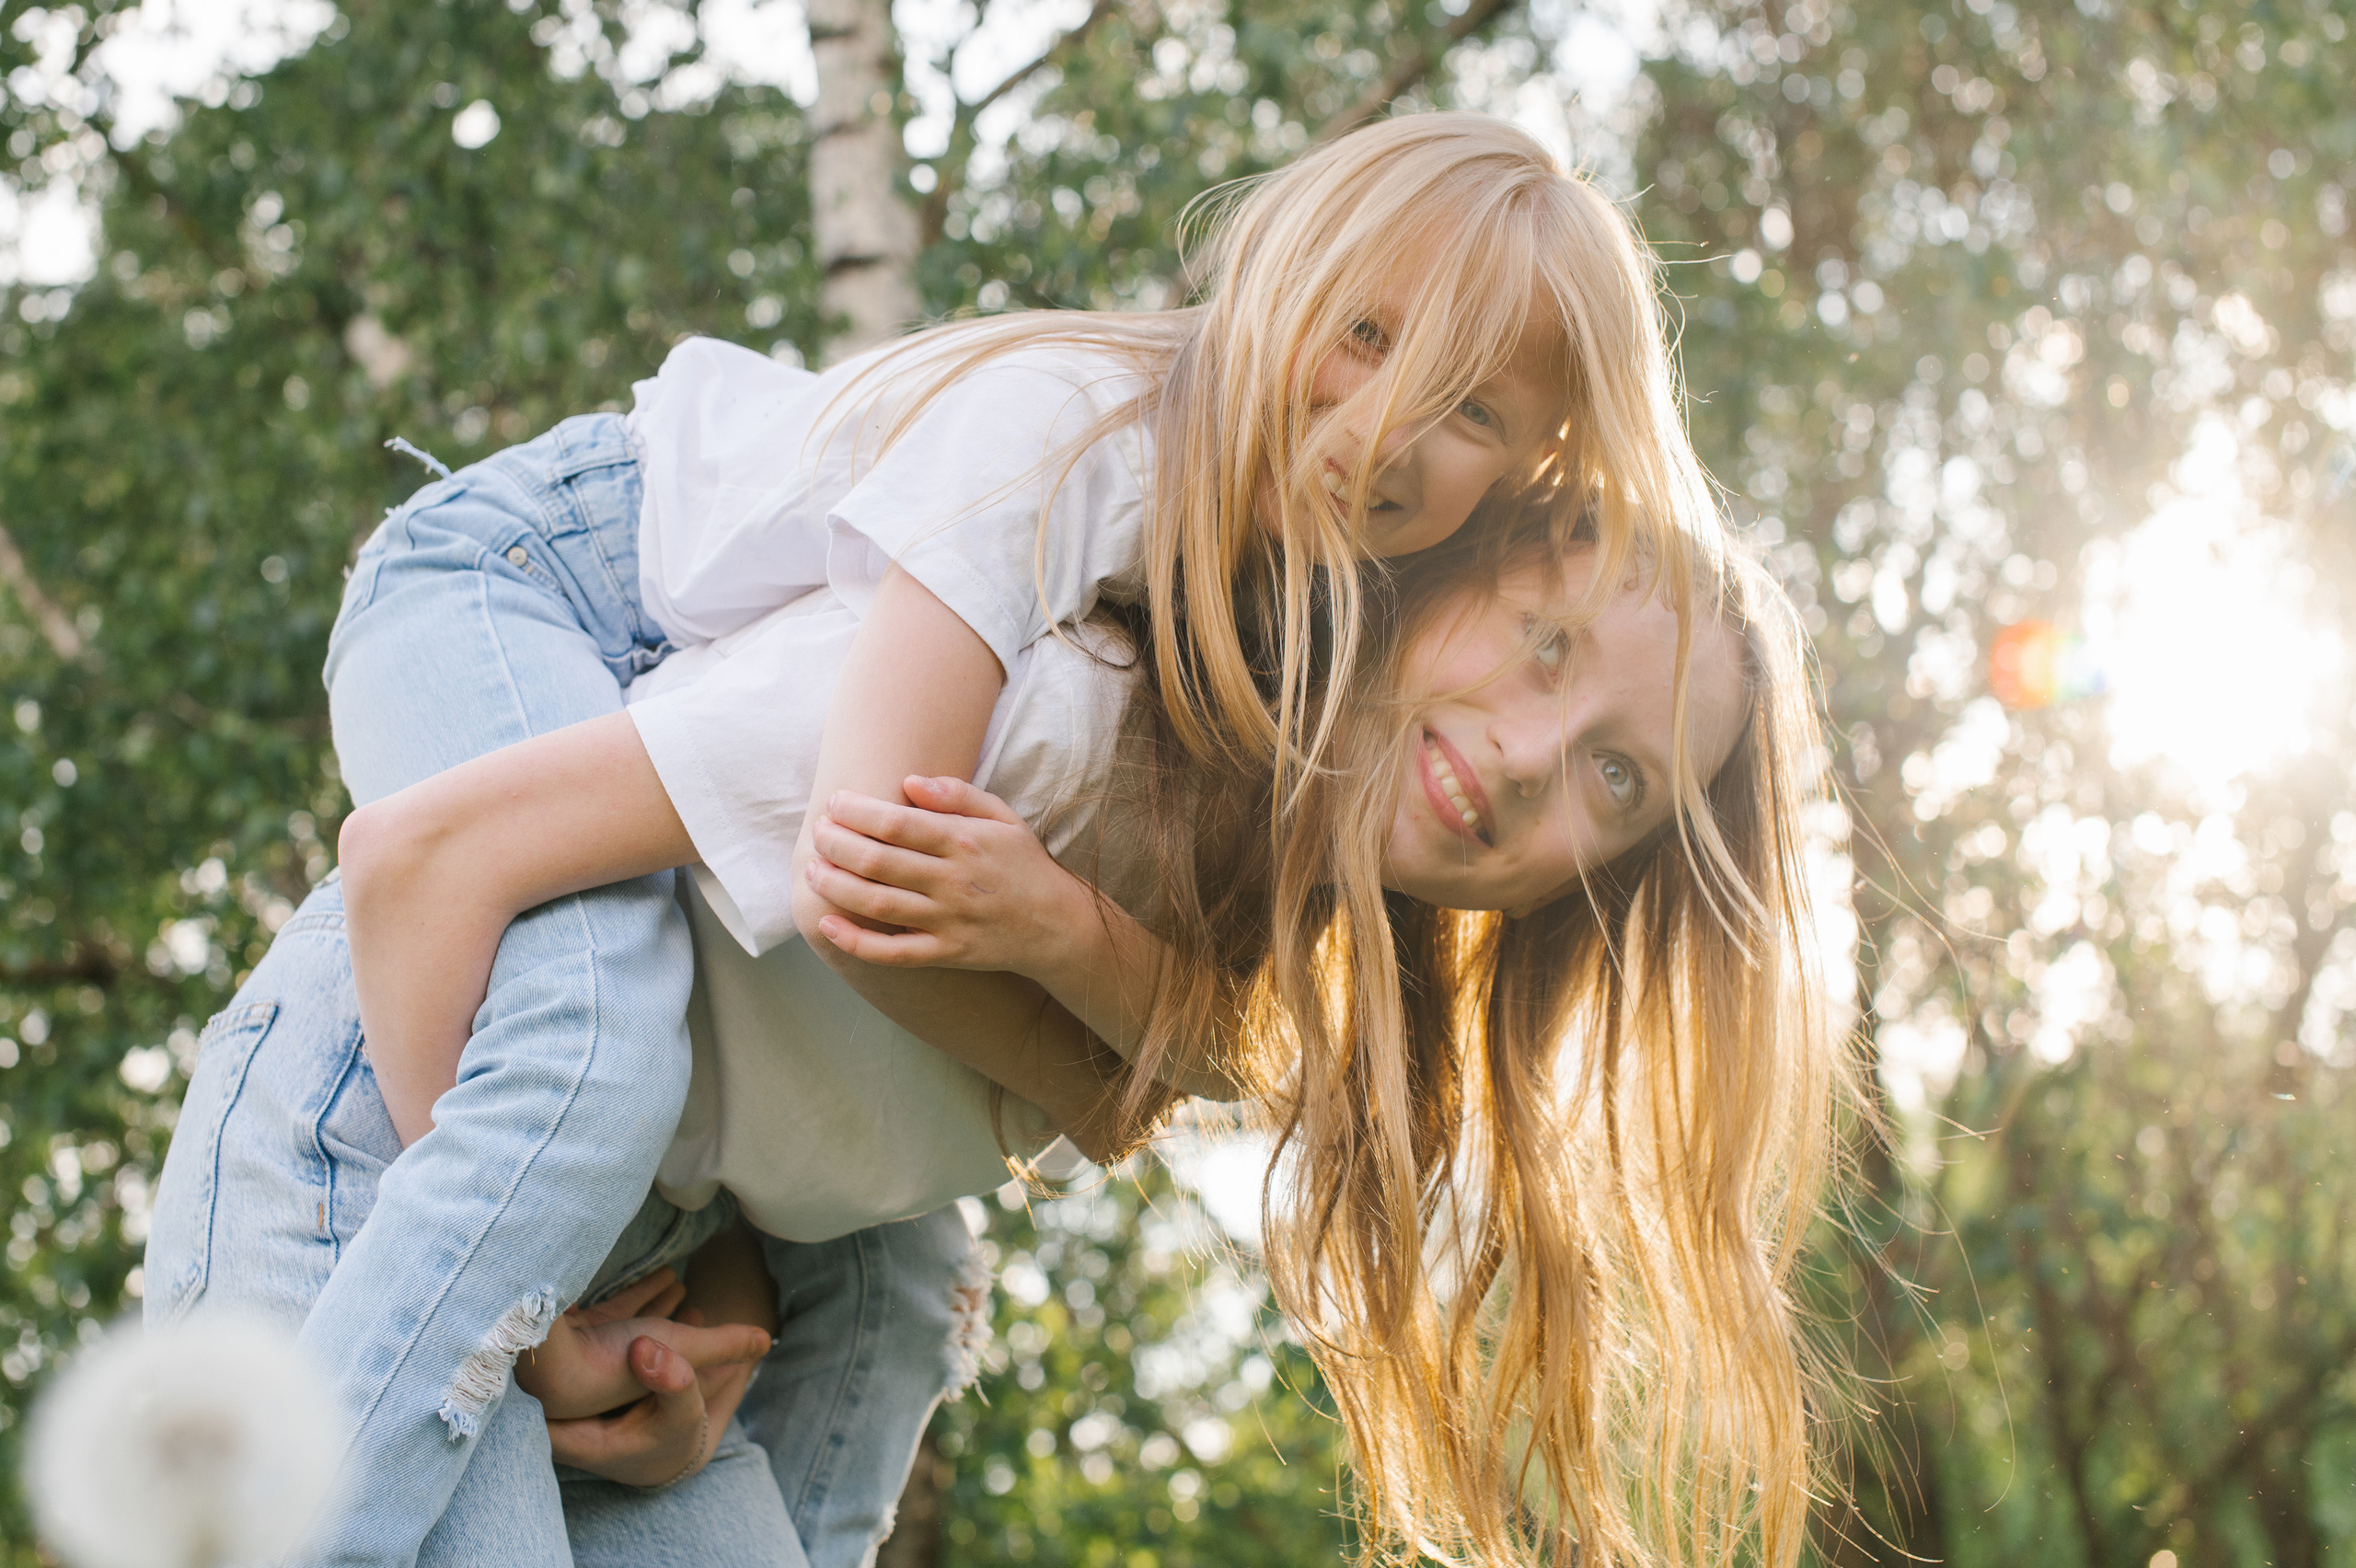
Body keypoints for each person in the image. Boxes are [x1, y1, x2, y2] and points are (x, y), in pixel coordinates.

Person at [149, 109, 1805, 1566]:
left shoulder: (1228, 819)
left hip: (613, 1194)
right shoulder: (1054, 593)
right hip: (505, 643)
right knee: (600, 1034)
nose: (1526, 761)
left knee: (895, 1277)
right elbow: (535, 863)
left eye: (1614, 788)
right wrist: (553, 1295)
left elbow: (1151, 1077)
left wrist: (710, 1268)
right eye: (1547, 649)